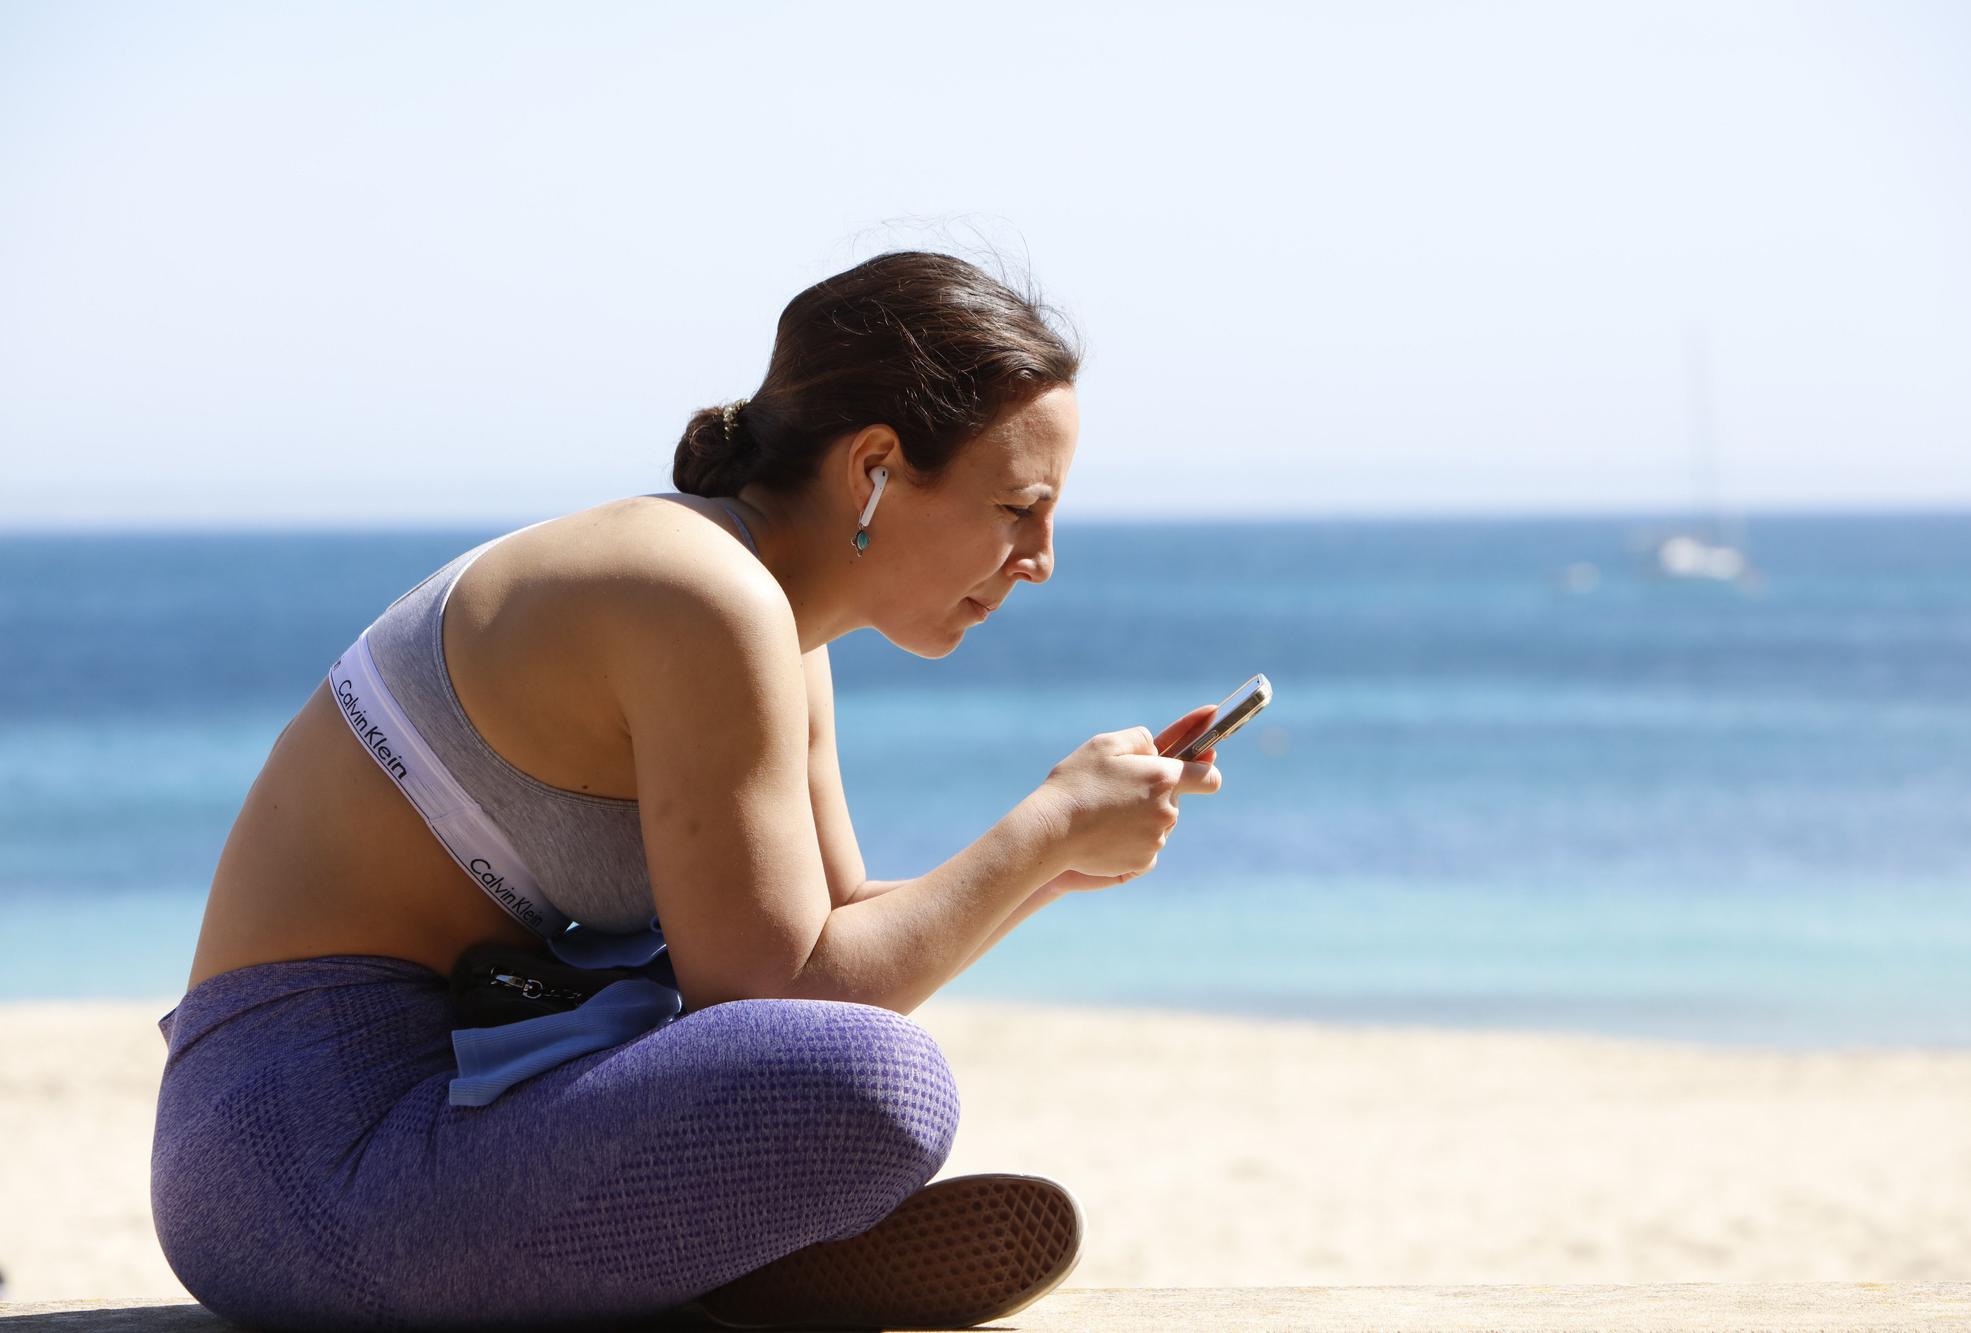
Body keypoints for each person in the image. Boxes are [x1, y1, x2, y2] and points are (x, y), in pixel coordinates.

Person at [150, 250, 1224, 1332]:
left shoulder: (767, 619)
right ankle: (716, 1267)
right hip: (308, 1161)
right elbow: (784, 987)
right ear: (877, 467)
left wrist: (1058, 858)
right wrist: (1043, 827)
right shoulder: (699, 594)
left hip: (462, 1095)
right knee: (880, 1086)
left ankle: (681, 1266)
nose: (1040, 557)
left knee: (854, 1071)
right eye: (1019, 506)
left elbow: (833, 928)